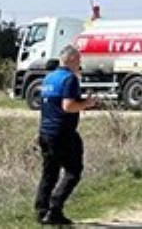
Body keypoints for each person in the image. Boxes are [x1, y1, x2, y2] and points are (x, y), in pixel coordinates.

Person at [35, 46, 97, 226]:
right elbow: (68, 106)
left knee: (49, 173)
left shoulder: (49, 77)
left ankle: (41, 211)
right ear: (70, 59)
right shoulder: (70, 79)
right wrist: (87, 103)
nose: (80, 64)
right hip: (63, 132)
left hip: (45, 131)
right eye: (78, 60)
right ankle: (55, 208)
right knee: (73, 172)